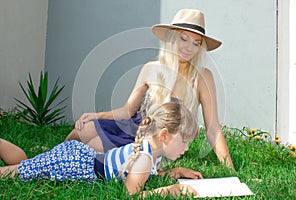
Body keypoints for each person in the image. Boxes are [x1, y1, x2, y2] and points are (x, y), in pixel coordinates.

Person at [66, 8, 234, 167]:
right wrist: (95, 115)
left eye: (196, 43)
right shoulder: (151, 68)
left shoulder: (203, 76)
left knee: (95, 145)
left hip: (162, 140)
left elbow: (213, 129)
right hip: (138, 126)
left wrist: (230, 170)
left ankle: (74, 164)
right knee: (85, 128)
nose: (188, 48)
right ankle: (55, 154)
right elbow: (127, 111)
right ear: (172, 38)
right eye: (183, 39)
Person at [1, 102, 202, 198]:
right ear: (164, 135)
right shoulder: (145, 157)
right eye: (184, 141)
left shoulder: (153, 152)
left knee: (25, 164)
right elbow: (130, 195)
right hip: (75, 162)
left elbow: (146, 176)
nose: (186, 149)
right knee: (19, 171)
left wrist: (175, 173)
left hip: (83, 157)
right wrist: (172, 190)